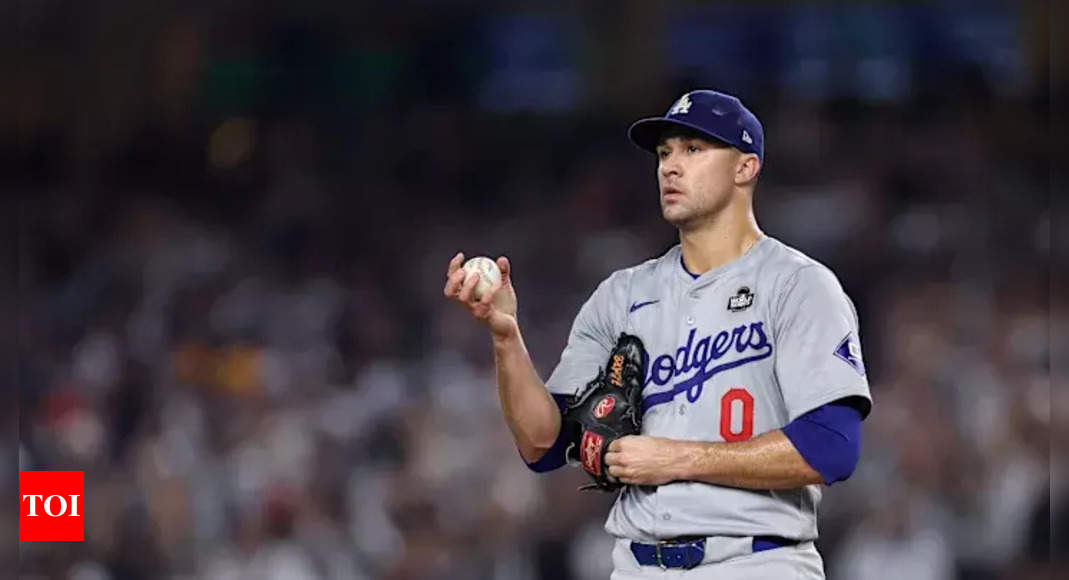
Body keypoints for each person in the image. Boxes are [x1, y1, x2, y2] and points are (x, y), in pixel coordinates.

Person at [443, 89, 872, 579]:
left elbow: (832, 447)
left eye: (693, 149)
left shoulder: (798, 284)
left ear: (745, 167)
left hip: (756, 561)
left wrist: (677, 458)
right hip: (637, 565)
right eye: (665, 152)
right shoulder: (622, 295)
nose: (670, 166)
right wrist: (506, 337)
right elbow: (542, 445)